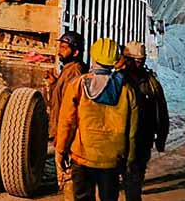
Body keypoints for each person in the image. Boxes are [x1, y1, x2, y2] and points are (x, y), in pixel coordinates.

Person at [56, 38, 139, 201]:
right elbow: (132, 130)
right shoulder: (127, 90)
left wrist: (61, 151)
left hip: (82, 157)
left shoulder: (78, 85)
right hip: (112, 161)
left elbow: (67, 123)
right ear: (115, 60)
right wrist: (129, 160)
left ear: (93, 56)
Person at [119, 41, 169, 201]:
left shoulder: (150, 83)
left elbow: (161, 110)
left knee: (134, 178)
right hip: (118, 139)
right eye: (134, 60)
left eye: (141, 60)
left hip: (142, 139)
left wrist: (161, 137)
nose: (138, 64)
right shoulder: (116, 80)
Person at [47, 31, 88, 140]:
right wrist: (54, 84)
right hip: (59, 131)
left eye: (64, 48)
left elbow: (70, 107)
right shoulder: (68, 69)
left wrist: (64, 136)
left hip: (65, 135)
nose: (60, 51)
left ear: (75, 53)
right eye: (60, 47)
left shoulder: (75, 71)